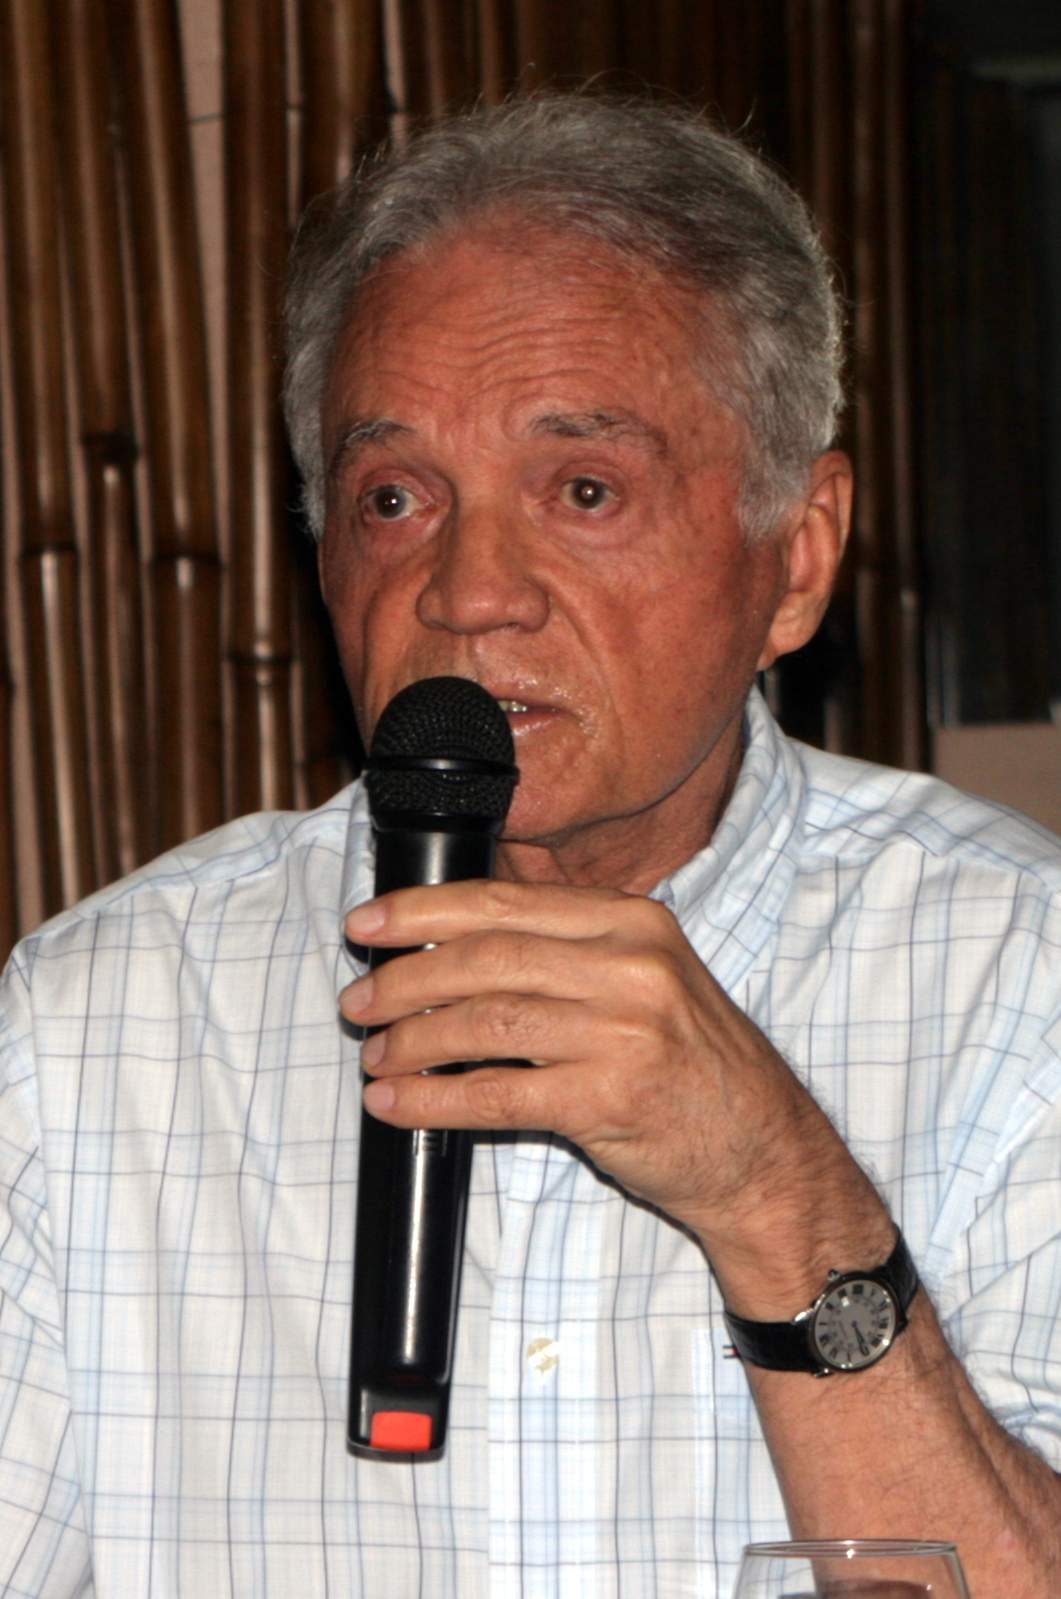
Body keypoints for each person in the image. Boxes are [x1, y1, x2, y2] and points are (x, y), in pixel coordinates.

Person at [1, 93, 1058, 1598]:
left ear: (797, 555)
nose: (469, 587)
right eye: (393, 497)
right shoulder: (94, 1025)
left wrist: (776, 1194)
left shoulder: (1026, 973)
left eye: (583, 490)